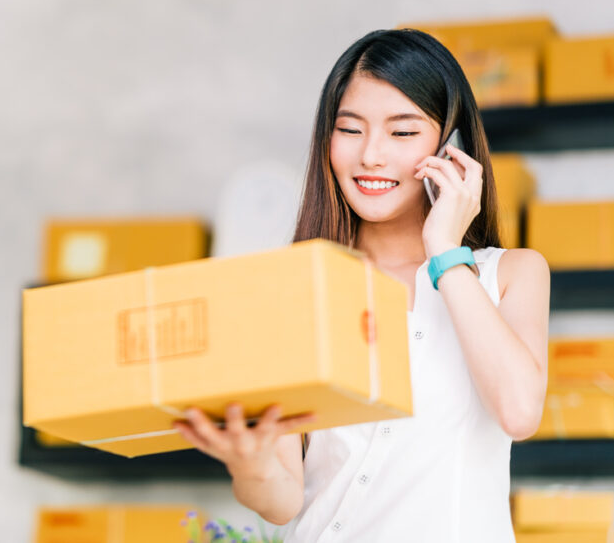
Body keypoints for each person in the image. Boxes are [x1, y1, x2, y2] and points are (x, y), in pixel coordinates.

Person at [173, 29, 550, 542]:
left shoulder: (510, 274)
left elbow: (519, 411)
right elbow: (282, 501)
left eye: (402, 133)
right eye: (350, 130)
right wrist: (250, 463)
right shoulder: (295, 286)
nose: (371, 155)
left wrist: (445, 250)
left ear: (452, 148)